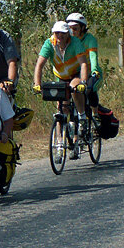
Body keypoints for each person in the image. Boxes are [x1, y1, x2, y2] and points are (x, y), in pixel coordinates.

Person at [32, 21, 89, 154]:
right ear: (53, 33)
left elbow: (84, 64)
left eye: (62, 33)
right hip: (61, 77)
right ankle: (59, 143)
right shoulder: (49, 44)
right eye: (57, 33)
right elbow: (39, 65)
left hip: (75, 74)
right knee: (61, 109)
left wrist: (84, 83)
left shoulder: (75, 43)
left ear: (67, 33)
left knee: (75, 88)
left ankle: (82, 116)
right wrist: (37, 84)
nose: (60, 36)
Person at [66, 12, 102, 117]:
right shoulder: (68, 40)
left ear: (82, 28)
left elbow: (93, 56)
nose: (72, 31)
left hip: (91, 71)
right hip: (75, 73)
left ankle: (95, 114)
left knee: (90, 89)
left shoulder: (90, 39)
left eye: (75, 28)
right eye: (69, 28)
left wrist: (95, 70)